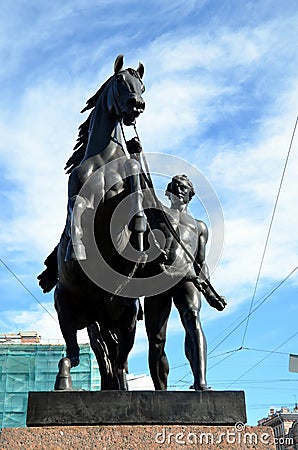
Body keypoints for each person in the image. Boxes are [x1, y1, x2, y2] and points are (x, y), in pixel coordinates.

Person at [144, 174, 226, 391]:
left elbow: (200, 263)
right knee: (156, 337)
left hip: (186, 277)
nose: (180, 190)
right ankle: (160, 391)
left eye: (184, 187)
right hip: (157, 278)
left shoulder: (200, 227)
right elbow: (144, 184)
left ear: (191, 194)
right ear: (168, 191)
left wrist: (209, 292)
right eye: (176, 186)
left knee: (193, 318)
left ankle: (200, 382)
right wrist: (135, 155)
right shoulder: (156, 213)